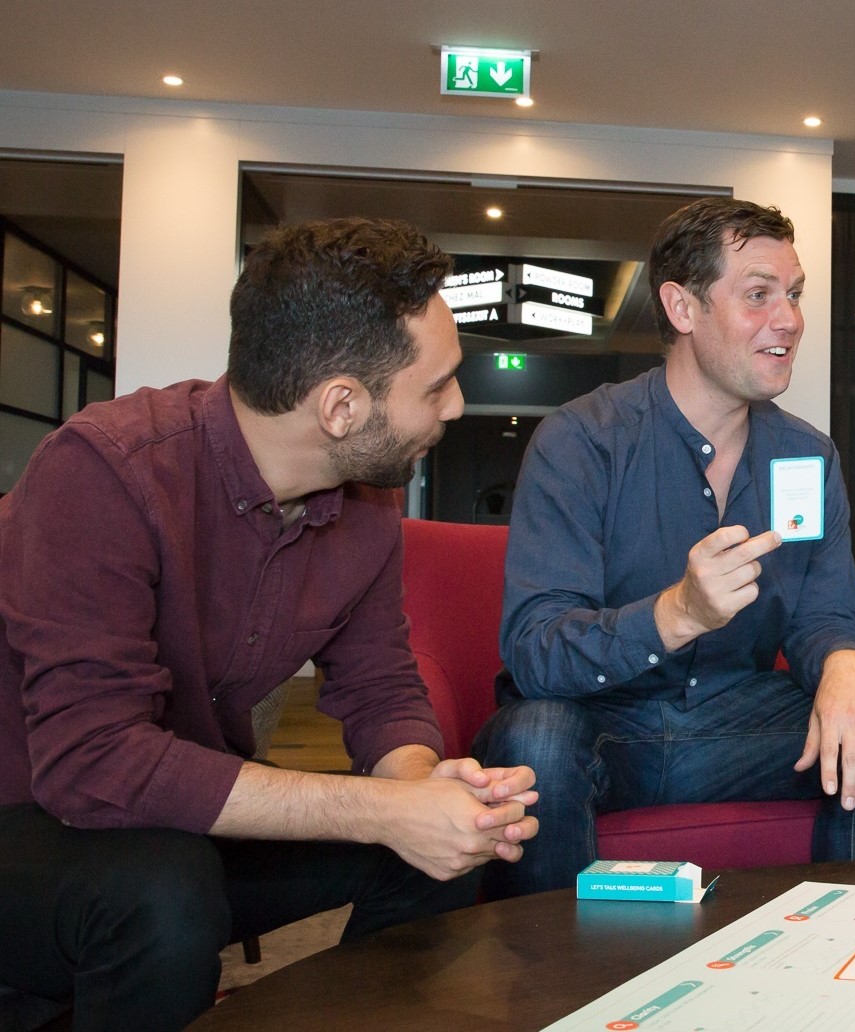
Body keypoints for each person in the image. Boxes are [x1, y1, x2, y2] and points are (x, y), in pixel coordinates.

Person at [0, 217, 537, 1030]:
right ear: (341, 406)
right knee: (163, 892)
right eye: (436, 386)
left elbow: (380, 683)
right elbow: (92, 764)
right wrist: (382, 813)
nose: (457, 407)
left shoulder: (367, 495)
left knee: (441, 853)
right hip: (29, 819)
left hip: (170, 823)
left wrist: (420, 788)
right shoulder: (104, 472)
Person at [476, 197, 855, 899]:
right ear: (682, 308)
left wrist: (847, 665)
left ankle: (850, 953)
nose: (790, 319)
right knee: (532, 742)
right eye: (758, 295)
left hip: (736, 726)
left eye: (795, 294)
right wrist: (677, 613)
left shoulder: (803, 457)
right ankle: (549, 989)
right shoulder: (582, 440)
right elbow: (535, 650)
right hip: (601, 727)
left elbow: (826, 611)